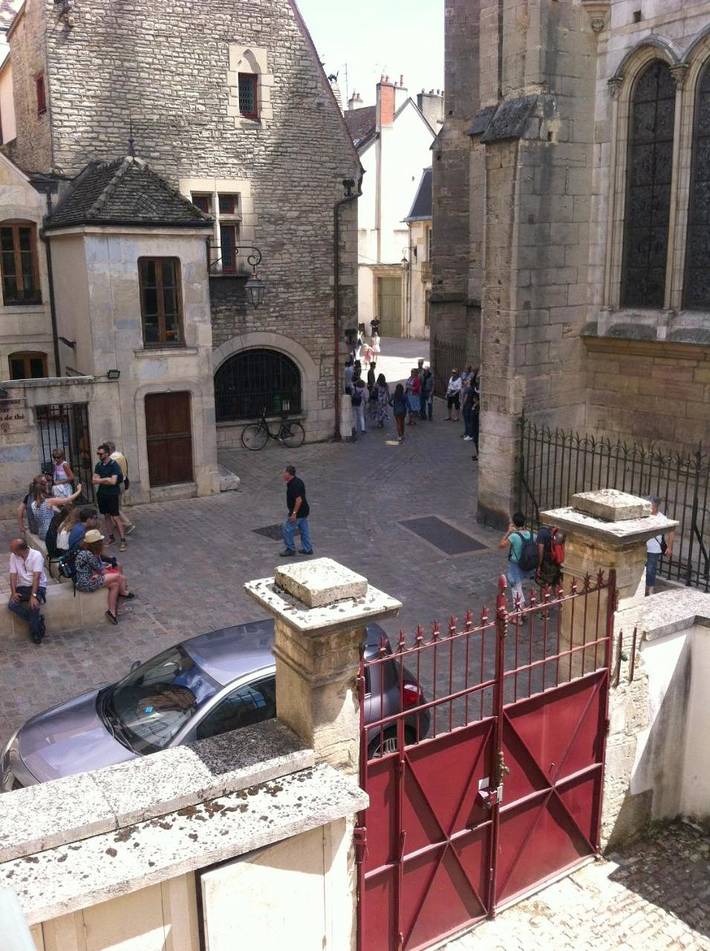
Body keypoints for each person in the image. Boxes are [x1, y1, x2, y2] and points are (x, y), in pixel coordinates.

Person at [74, 529, 133, 624]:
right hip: (87, 583)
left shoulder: (86, 552)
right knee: (118, 577)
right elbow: (102, 571)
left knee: (115, 585)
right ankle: (124, 592)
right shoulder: (89, 555)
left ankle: (112, 612)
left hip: (88, 579)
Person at [8, 538, 47, 644]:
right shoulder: (14, 556)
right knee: (12, 605)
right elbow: (13, 575)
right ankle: (37, 620)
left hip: (38, 586)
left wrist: (33, 596)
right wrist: (13, 593)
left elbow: (36, 577)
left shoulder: (36, 556)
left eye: (12, 549)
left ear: (20, 550)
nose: (11, 550)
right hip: (23, 586)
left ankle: (36, 633)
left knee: (33, 606)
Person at [499, 512, 537, 613]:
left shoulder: (514, 536)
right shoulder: (531, 534)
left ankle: (518, 614)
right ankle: (522, 608)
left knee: (515, 587)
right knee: (518, 586)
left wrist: (508, 531)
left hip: (516, 565)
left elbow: (501, 545)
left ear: (515, 524)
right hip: (527, 563)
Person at [92, 443, 127, 552]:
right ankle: (111, 537)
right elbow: (94, 481)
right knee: (106, 516)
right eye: (98, 453)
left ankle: (122, 540)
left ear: (107, 454)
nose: (99, 455)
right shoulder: (98, 465)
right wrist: (106, 479)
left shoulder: (114, 465)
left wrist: (102, 480)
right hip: (102, 494)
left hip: (112, 494)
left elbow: (113, 481)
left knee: (116, 517)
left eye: (100, 454)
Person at [280, 465, 313, 557]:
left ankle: (290, 549)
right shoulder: (298, 481)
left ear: (288, 473)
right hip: (304, 510)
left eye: (284, 473)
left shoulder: (293, 485)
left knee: (287, 529)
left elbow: (298, 500)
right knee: (304, 530)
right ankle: (308, 548)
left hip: (298, 512)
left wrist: (294, 514)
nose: (282, 474)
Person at [646, 496, 674, 596]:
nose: (649, 508)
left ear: (655, 506)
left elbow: (671, 531)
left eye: (651, 506)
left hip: (654, 549)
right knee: (641, 569)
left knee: (650, 570)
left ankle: (650, 590)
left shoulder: (662, 518)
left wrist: (669, 547)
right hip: (642, 547)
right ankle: (643, 589)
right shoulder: (644, 515)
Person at [107, 440, 135, 535]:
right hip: (122, 482)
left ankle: (128, 524)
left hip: (116, 484)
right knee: (117, 505)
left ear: (109, 450)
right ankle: (116, 522)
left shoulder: (112, 459)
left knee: (115, 507)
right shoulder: (121, 456)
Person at [536, 525, 566, 591]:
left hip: (547, 563)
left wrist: (539, 565)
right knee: (556, 582)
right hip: (557, 561)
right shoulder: (557, 531)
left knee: (545, 584)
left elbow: (540, 550)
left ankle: (545, 599)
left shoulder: (542, 533)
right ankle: (558, 597)